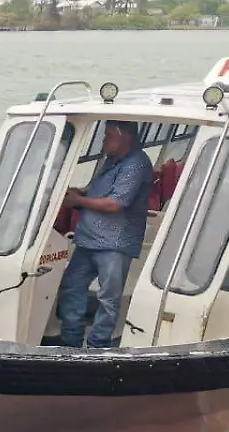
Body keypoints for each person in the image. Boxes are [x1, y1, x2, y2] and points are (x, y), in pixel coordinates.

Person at [55, 120, 154, 349]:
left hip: (114, 244)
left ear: (125, 136)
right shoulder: (112, 161)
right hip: (89, 240)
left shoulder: (136, 164)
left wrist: (79, 201)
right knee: (72, 287)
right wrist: (83, 193)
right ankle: (70, 342)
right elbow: (100, 191)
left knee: (108, 298)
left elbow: (115, 204)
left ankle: (98, 346)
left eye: (108, 136)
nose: (103, 141)